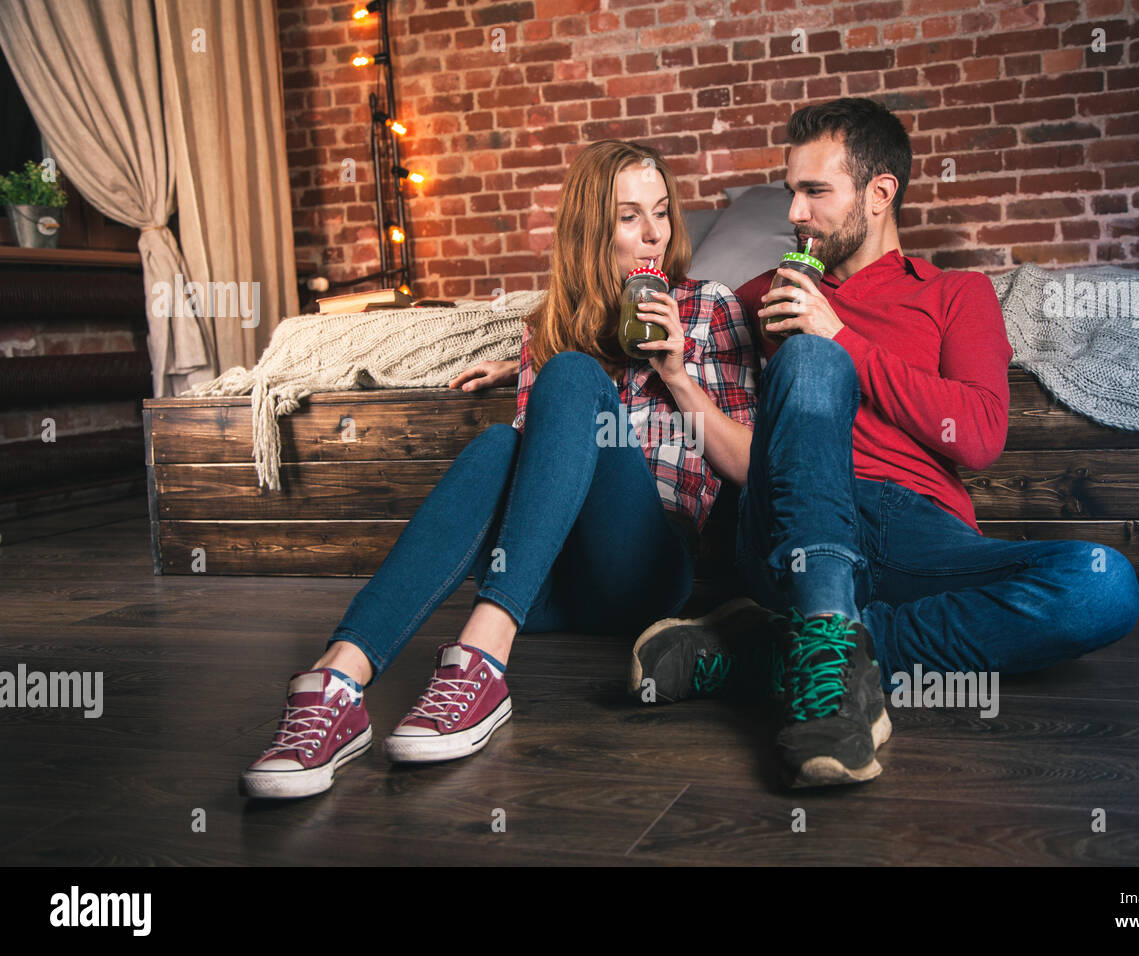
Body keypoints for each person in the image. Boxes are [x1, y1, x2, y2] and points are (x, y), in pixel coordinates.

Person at [629, 98, 1139, 789]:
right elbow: (650, 310)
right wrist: (533, 349)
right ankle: (828, 655)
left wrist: (841, 334)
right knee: (810, 365)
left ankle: (787, 652)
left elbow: (981, 435)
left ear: (879, 194)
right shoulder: (768, 292)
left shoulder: (955, 294)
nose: (795, 215)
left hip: (919, 536)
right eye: (791, 193)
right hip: (793, 524)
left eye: (815, 192)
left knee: (1102, 588)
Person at [241, 140, 759, 799]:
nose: (654, 233)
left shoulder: (709, 305)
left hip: (642, 571)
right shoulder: (551, 324)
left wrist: (678, 379)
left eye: (661, 212)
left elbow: (750, 465)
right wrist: (539, 359)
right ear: (591, 228)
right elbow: (531, 468)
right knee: (496, 444)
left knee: (570, 374)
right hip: (542, 585)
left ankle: (481, 662)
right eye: (630, 217)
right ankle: (336, 684)